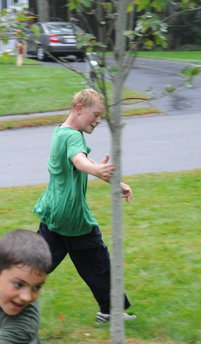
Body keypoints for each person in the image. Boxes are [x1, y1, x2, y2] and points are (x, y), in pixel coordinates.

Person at [33, 88, 136, 324]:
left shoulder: (61, 131)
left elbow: (82, 160)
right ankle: (110, 310)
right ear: (79, 108)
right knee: (97, 262)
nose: (98, 121)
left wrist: (113, 181)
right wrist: (95, 169)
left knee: (36, 263)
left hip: (53, 211)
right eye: (96, 114)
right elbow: (80, 161)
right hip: (72, 215)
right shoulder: (73, 137)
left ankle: (1, 288)